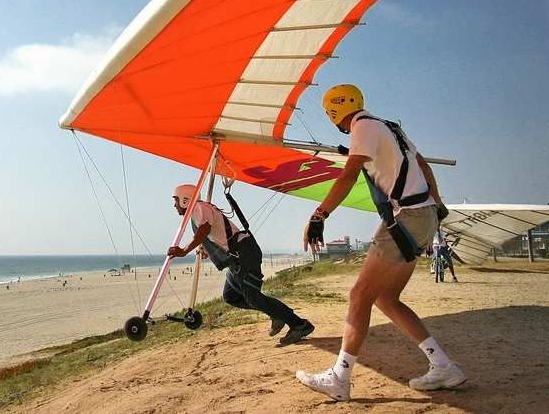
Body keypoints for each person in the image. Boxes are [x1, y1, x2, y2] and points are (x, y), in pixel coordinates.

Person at [296, 84, 468, 401]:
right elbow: (423, 166)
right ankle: (443, 366)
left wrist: (319, 215)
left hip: (406, 219)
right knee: (387, 298)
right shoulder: (389, 127)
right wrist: (438, 205)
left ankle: (339, 379)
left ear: (333, 111)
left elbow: (348, 175)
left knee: (359, 296)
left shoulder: (361, 128)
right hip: (424, 215)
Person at [167, 184, 315, 345]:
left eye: (176, 200)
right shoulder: (198, 212)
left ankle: (299, 324)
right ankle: (276, 313)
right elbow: (216, 234)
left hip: (244, 253)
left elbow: (205, 229)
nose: (174, 205)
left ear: (185, 199)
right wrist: (207, 250)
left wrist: (183, 251)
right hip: (235, 257)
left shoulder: (198, 207)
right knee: (231, 296)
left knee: (253, 298)